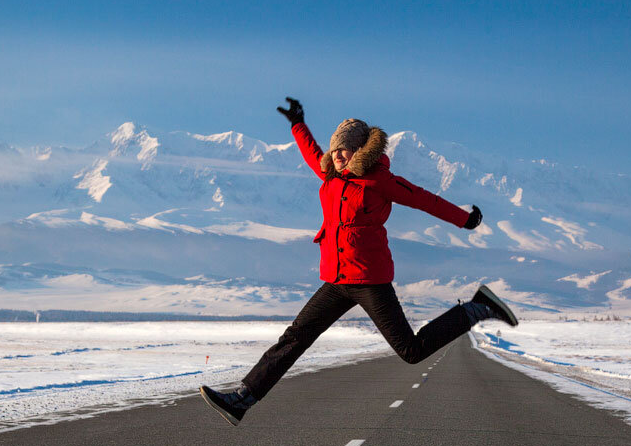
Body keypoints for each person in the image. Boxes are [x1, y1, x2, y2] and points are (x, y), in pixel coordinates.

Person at [200, 97, 518, 426]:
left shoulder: (380, 180)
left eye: (345, 149)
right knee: (295, 337)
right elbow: (312, 153)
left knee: (411, 351)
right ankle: (242, 399)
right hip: (336, 281)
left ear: (360, 150)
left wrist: (464, 219)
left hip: (369, 280)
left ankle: (476, 308)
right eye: (335, 149)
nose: (338, 155)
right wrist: (298, 124)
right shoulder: (331, 177)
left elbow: (423, 199)